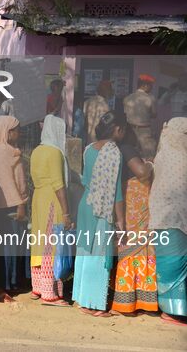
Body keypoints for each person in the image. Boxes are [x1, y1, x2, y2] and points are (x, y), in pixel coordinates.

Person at [72, 111, 127, 317]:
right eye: (123, 130)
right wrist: (121, 222)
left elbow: (87, 179)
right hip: (101, 208)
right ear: (117, 129)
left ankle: (81, 297)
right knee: (99, 253)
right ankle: (93, 304)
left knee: (85, 251)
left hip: (85, 205)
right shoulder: (114, 152)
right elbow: (117, 193)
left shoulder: (88, 149)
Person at [110, 126, 157, 315]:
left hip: (127, 206)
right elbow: (142, 172)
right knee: (139, 249)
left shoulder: (113, 150)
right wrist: (151, 164)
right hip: (135, 208)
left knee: (131, 250)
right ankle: (142, 302)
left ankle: (127, 300)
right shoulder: (127, 149)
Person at [29, 115, 72, 306]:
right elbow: (58, 184)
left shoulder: (36, 151)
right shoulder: (54, 152)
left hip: (38, 198)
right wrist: (66, 212)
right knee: (50, 244)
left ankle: (37, 286)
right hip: (52, 201)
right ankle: (49, 293)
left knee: (39, 242)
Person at [148, 117, 187, 326]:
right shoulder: (182, 158)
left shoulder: (162, 155)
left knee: (167, 264)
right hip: (177, 219)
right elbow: (182, 195)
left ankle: (168, 308)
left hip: (160, 217)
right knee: (177, 266)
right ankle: (174, 312)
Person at [0, 116, 28, 301]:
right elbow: (12, 182)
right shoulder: (8, 152)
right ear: (7, 132)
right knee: (9, 247)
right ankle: (5, 285)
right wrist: (20, 204)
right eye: (16, 130)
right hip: (10, 205)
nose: (19, 133)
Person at [123, 74, 157, 158]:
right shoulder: (150, 98)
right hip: (144, 130)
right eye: (150, 85)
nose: (151, 88)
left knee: (131, 154)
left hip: (130, 131)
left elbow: (125, 114)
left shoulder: (127, 98)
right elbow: (154, 114)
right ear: (145, 85)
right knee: (149, 155)